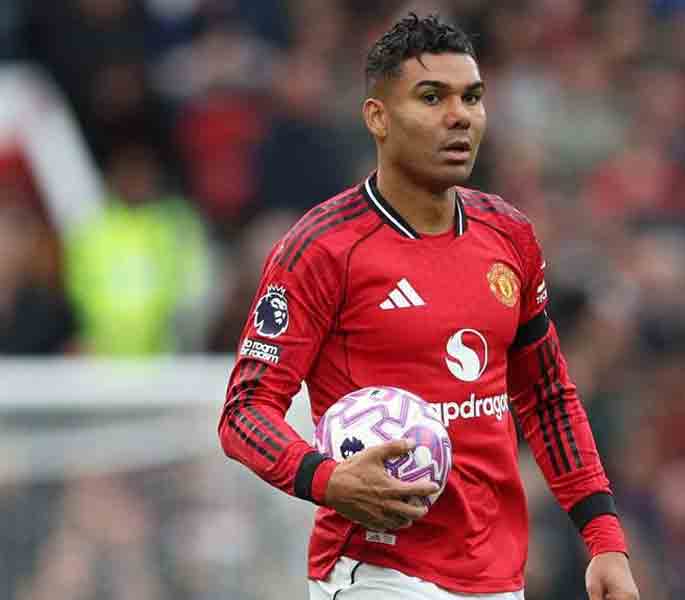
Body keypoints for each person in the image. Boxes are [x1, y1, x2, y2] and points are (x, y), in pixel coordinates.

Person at [218, 13, 640, 600]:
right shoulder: (321, 249)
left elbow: (546, 398)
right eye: (431, 97)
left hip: (495, 573)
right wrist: (330, 480)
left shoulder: (509, 235)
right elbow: (244, 412)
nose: (459, 115)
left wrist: (603, 537)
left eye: (472, 97)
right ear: (378, 118)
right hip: (376, 572)